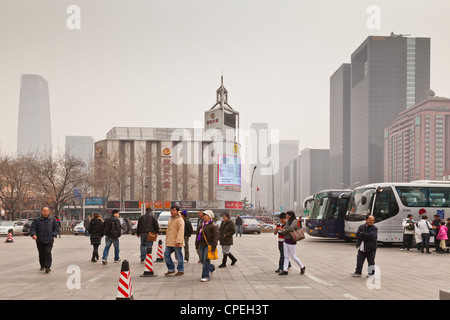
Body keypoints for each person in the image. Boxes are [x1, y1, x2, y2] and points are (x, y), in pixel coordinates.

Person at [30, 207, 59, 273]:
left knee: (47, 252)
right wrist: (33, 234)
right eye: (44, 211)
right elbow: (33, 228)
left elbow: (56, 228)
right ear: (41, 212)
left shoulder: (52, 220)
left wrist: (53, 234)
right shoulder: (37, 220)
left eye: (46, 211)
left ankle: (48, 267)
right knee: (41, 253)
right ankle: (42, 265)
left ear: (49, 212)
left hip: (49, 240)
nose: (45, 212)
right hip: (40, 240)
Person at [278, 211, 305, 276]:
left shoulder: (294, 221)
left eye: (287, 215)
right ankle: (285, 270)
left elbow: (291, 228)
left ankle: (302, 267)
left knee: (293, 256)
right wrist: (283, 230)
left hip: (291, 240)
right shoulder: (288, 221)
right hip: (286, 240)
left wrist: (284, 230)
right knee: (286, 256)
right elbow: (284, 228)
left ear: (290, 215)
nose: (286, 216)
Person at [197, 210, 219, 282]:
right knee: (202, 259)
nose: (204, 216)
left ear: (210, 217)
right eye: (204, 215)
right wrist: (196, 246)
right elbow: (197, 236)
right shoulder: (201, 225)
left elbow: (216, 238)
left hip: (208, 245)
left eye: (206, 215)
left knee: (206, 260)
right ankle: (211, 267)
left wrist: (213, 248)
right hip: (201, 245)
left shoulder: (214, 226)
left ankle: (206, 276)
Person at [164, 206, 185, 276]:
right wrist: (166, 240)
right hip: (170, 241)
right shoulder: (170, 219)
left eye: (173, 210)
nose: (172, 212)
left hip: (176, 242)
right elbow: (168, 231)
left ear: (177, 211)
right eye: (171, 210)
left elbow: (181, 231)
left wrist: (178, 241)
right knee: (166, 254)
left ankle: (181, 270)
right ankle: (171, 269)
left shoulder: (180, 219)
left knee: (179, 257)